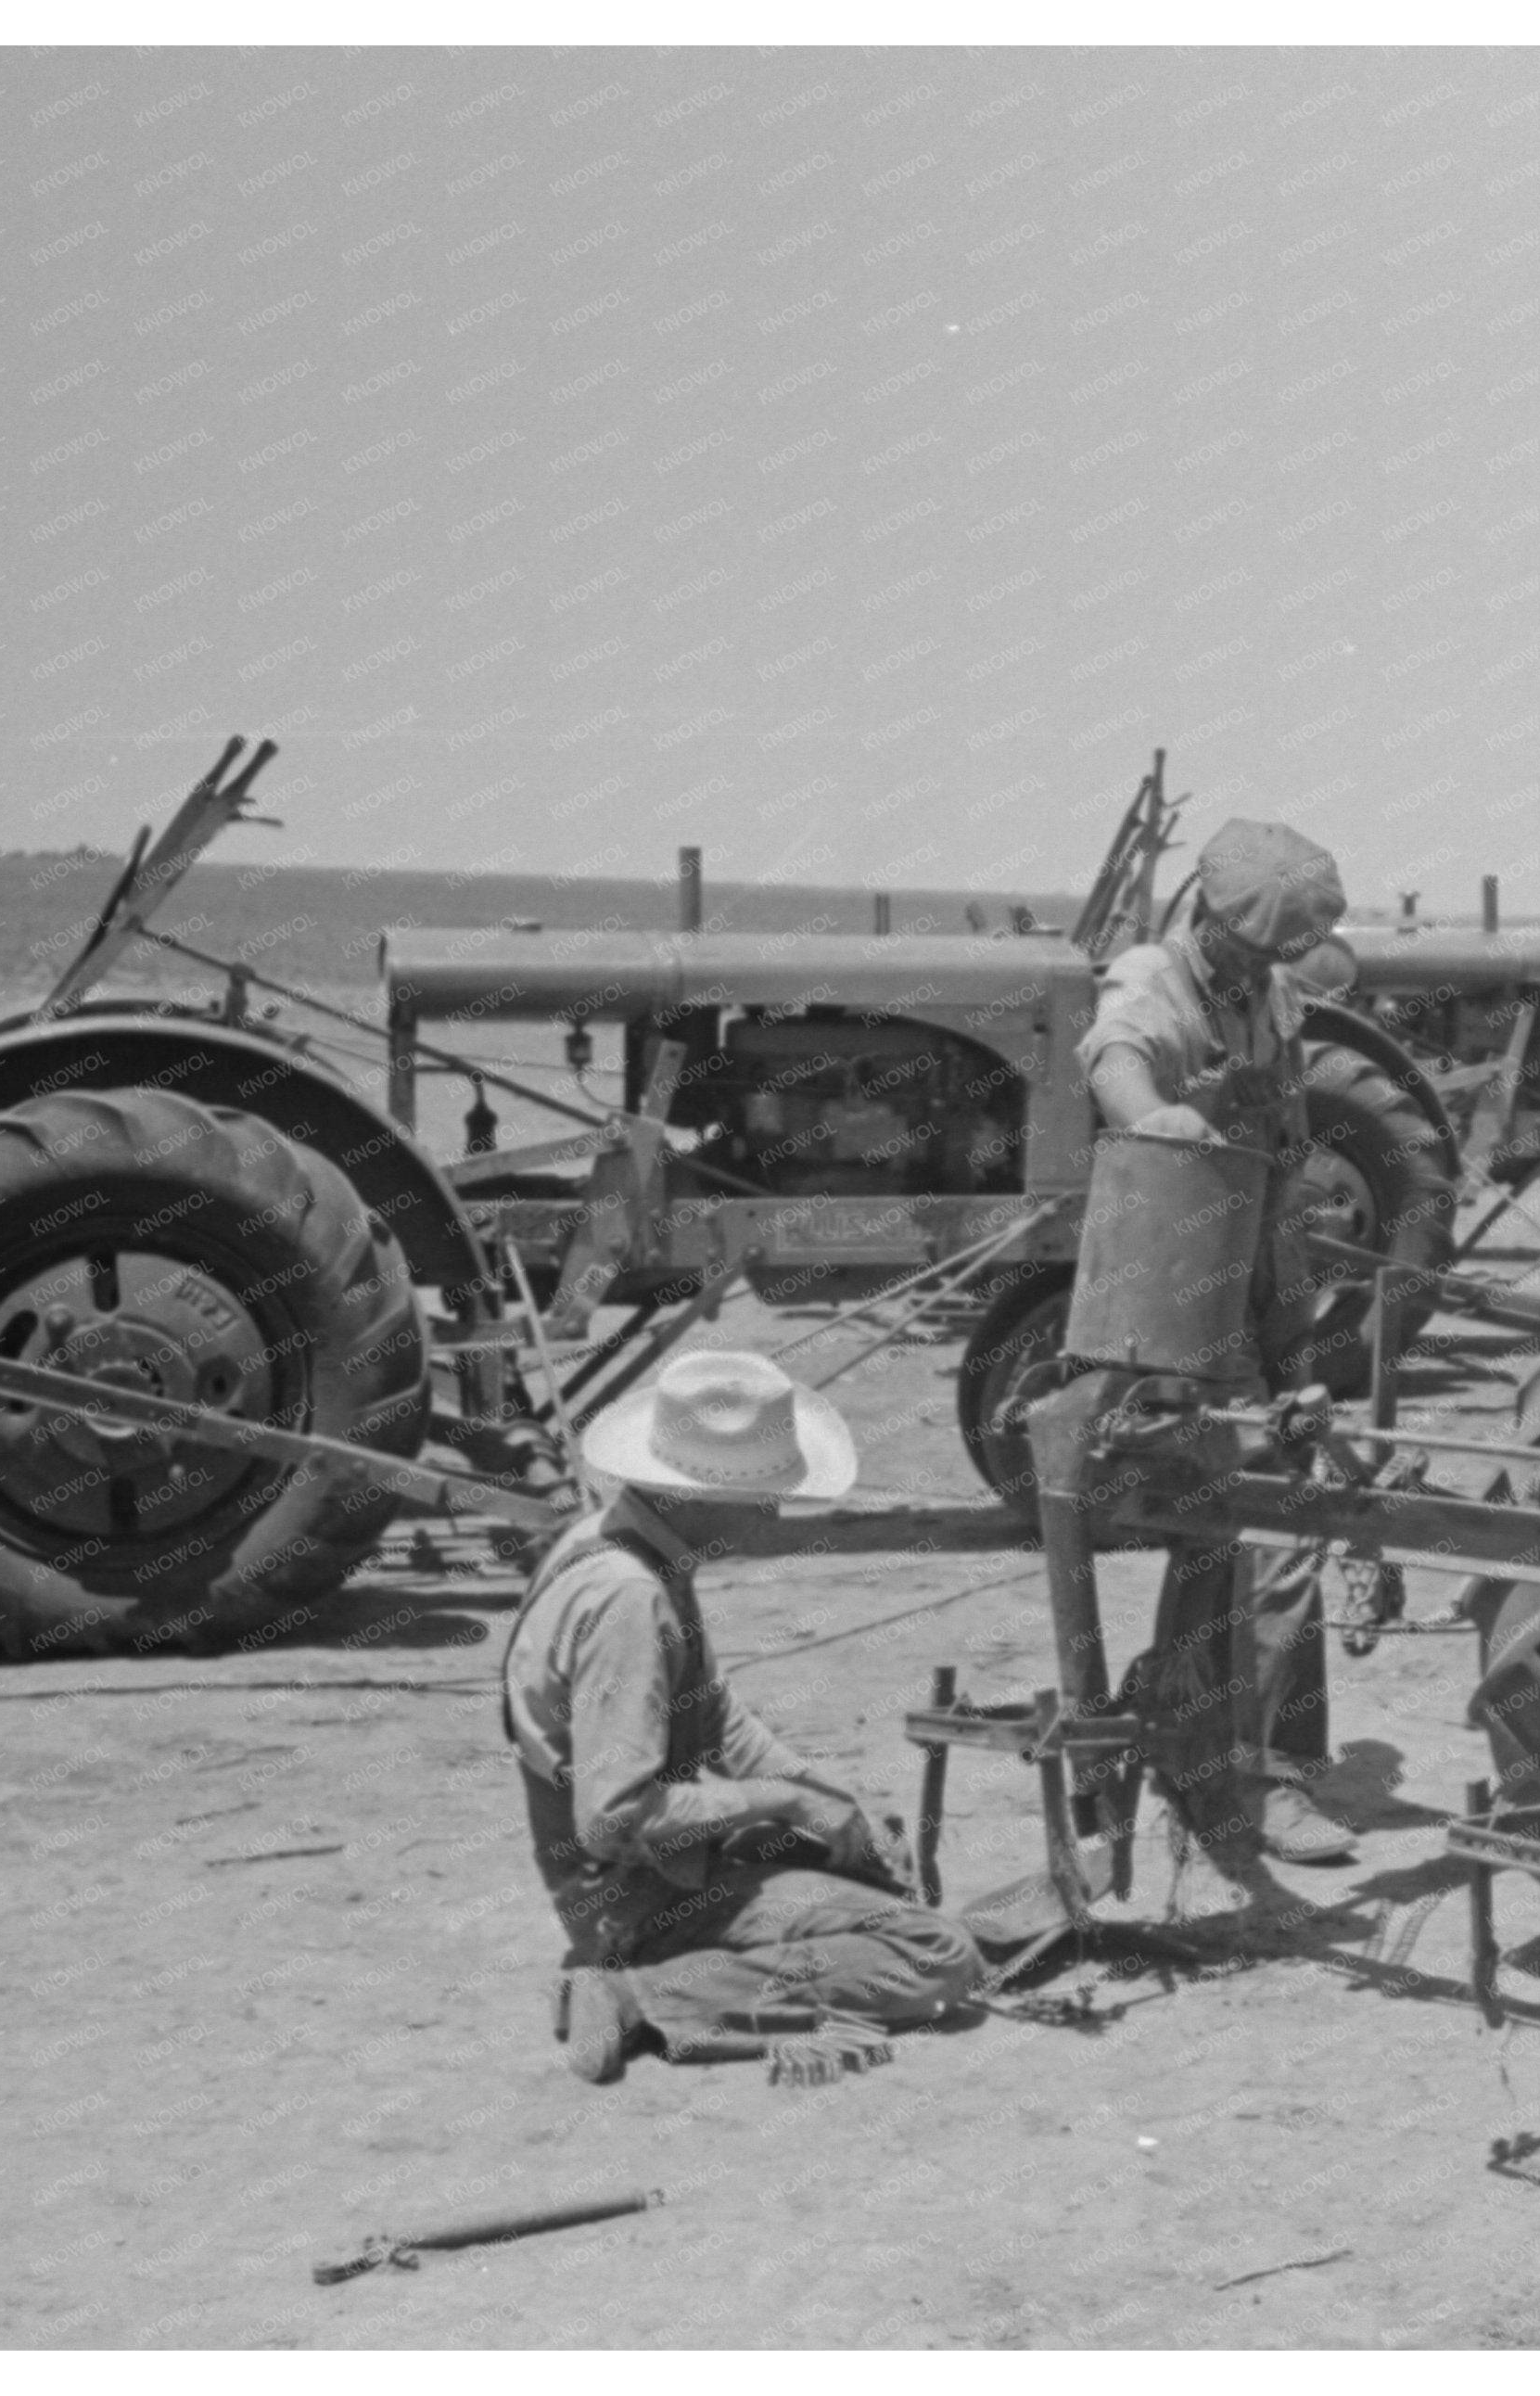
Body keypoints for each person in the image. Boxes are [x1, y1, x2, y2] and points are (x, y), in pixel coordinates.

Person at [506, 1348, 983, 2084]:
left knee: (855, 1855)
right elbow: (613, 1817)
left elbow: (716, 1718)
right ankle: (638, 1993)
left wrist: (831, 1804)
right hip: (628, 1896)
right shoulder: (628, 1600)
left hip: (655, 1868)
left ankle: (686, 1966)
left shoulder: (623, 1543)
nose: (772, 1511)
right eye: (762, 1493)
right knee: (936, 1955)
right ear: (694, 1494)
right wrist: (784, 1801)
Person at [1053, 817, 1363, 1866]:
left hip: (1257, 1270)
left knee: (1258, 1507)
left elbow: (1283, 1142)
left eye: (1283, 954)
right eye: (1256, 947)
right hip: (1167, 1301)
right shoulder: (1152, 981)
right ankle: (1249, 1773)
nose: (1269, 966)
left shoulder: (1270, 999)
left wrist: (1300, 1350)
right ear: (1209, 917)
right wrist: (1155, 1118)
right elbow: (1115, 1058)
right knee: (1273, 1525)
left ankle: (1216, 1737)